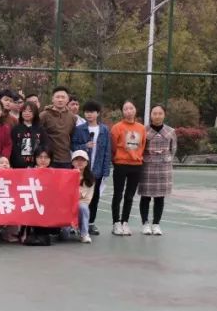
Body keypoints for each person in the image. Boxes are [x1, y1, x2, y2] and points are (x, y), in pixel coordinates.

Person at [72, 100, 112, 235]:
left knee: (94, 197)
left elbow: (107, 151)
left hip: (97, 169)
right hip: (81, 169)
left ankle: (90, 223)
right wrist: (85, 146)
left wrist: (106, 170)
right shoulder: (79, 129)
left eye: (92, 112)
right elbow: (73, 146)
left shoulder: (104, 130)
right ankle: (75, 222)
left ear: (98, 113)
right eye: (87, 112)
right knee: (78, 196)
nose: (89, 115)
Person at [109, 100, 146, 236]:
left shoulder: (141, 128)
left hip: (136, 165)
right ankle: (116, 223)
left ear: (135, 110)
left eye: (131, 108)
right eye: (126, 109)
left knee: (129, 196)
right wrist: (117, 159)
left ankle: (125, 222)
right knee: (118, 194)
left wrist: (137, 157)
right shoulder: (117, 127)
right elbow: (113, 146)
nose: (129, 111)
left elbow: (142, 145)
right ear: (122, 112)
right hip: (120, 164)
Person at [139, 104, 176, 236]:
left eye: (160, 113)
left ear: (164, 115)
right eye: (154, 113)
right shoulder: (144, 130)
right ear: (150, 115)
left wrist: (166, 158)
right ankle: (145, 223)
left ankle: (156, 224)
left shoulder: (171, 131)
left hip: (164, 167)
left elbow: (173, 149)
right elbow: (140, 148)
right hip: (147, 167)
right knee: (145, 196)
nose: (157, 116)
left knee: (160, 197)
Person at [39, 86, 77, 167]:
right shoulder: (44, 115)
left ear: (67, 99)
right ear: (52, 99)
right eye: (57, 97)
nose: (60, 100)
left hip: (66, 159)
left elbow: (72, 137)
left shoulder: (72, 117)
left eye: (63, 97)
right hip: (48, 159)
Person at [10, 101, 47, 169]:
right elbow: (13, 148)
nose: (27, 113)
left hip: (36, 166)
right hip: (18, 166)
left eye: (30, 111)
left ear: (35, 113)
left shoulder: (40, 129)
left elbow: (44, 146)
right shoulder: (16, 129)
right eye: (24, 111)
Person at [72, 150, 95, 244]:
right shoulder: (67, 175)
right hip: (67, 204)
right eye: (77, 159)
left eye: (82, 160)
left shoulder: (90, 178)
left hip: (81, 203)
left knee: (83, 208)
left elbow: (81, 196)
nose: (80, 162)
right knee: (64, 235)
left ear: (87, 163)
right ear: (72, 162)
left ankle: (84, 234)